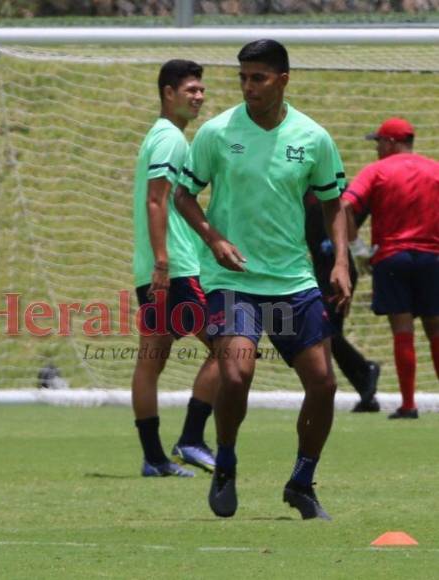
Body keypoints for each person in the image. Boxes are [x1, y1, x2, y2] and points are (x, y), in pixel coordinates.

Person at [174, 40, 351, 520]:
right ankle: (226, 461)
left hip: (293, 280)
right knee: (236, 372)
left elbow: (335, 203)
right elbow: (183, 196)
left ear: (283, 80)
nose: (249, 87)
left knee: (324, 384)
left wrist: (338, 263)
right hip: (232, 279)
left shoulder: (313, 137)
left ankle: (301, 481)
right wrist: (213, 240)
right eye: (243, 78)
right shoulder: (216, 132)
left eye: (259, 78)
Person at [131, 59, 219, 479]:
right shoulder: (171, 140)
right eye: (191, 90)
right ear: (169, 93)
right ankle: (191, 438)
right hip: (176, 268)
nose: (199, 97)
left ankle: (154, 459)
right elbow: (155, 199)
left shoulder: (158, 136)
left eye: (201, 90)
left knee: (151, 361)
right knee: (231, 347)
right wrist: (165, 259)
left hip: (152, 269)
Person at [342, 118, 439, 420]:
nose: (377, 149)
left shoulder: (377, 170)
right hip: (433, 257)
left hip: (392, 257)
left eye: (379, 142)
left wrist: (356, 249)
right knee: (435, 329)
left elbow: (345, 205)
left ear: (391, 142)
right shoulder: (434, 168)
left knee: (402, 328)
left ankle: (409, 404)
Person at [305, 184, 380, 413]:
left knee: (324, 329)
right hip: (320, 270)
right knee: (326, 332)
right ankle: (365, 392)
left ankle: (365, 370)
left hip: (339, 270)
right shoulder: (297, 186)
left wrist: (350, 237)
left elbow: (359, 204)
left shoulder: (335, 185)